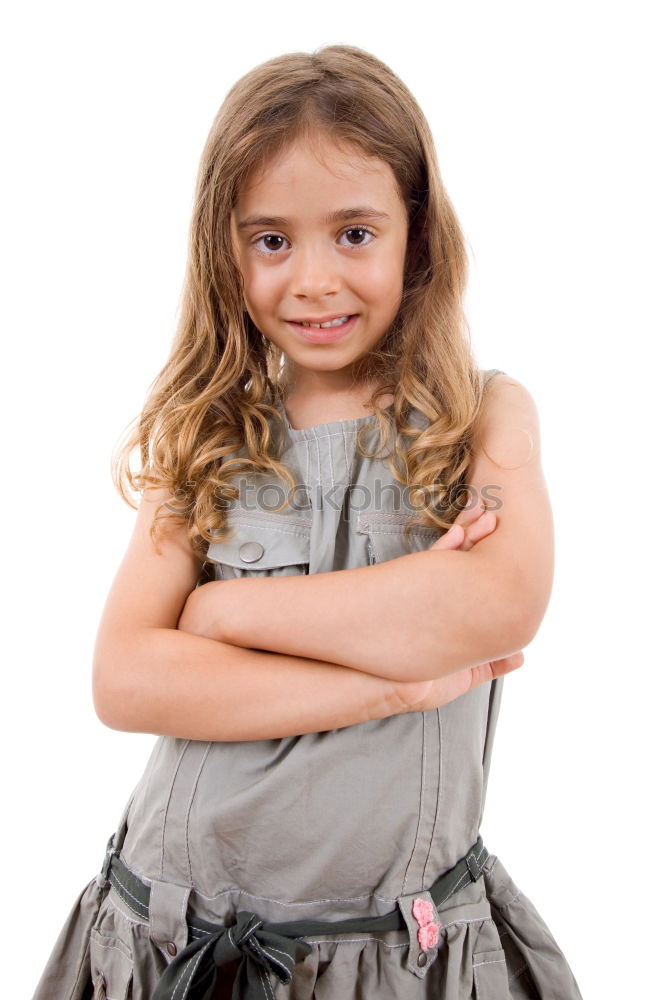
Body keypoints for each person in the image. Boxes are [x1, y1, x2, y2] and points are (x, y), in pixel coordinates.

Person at [33, 45, 583, 1000]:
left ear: (418, 232)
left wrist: (221, 620)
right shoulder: (205, 439)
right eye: (272, 241)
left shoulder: (483, 421)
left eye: (355, 234)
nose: (314, 280)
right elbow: (125, 680)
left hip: (390, 948)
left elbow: (498, 602)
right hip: (182, 934)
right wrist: (390, 686)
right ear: (226, 250)